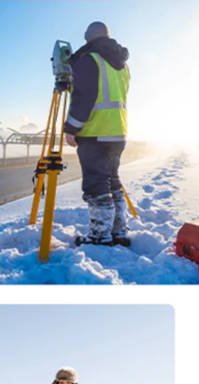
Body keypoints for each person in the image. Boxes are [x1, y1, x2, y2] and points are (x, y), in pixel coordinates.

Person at [63, 22, 131, 247]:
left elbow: (84, 97)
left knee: (96, 185)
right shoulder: (122, 64)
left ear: (89, 37)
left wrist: (72, 128)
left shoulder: (90, 59)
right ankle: (118, 231)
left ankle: (100, 236)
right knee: (112, 182)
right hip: (118, 132)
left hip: (95, 133)